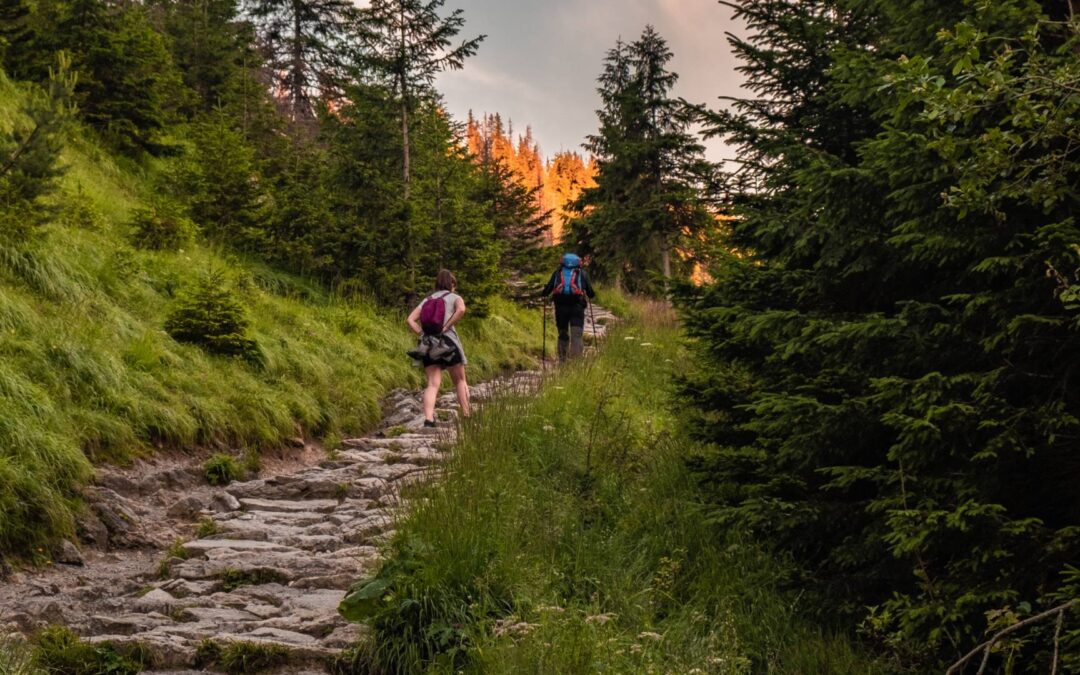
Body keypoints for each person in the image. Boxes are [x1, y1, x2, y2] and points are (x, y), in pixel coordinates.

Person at [407, 269, 470, 427]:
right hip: (448, 342)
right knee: (460, 381)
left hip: (428, 344)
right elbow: (461, 309)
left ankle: (429, 419)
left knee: (432, 384)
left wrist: (422, 333)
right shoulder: (454, 297)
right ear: (452, 284)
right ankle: (467, 415)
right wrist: (447, 326)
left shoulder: (427, 299)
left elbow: (410, 320)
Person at [541, 252, 596, 361]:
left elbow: (546, 291)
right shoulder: (582, 274)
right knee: (576, 335)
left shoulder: (557, 272)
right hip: (577, 308)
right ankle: (576, 363)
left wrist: (544, 292)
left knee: (563, 334)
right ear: (578, 263)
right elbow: (591, 293)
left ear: (562, 263)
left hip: (560, 308)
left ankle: (563, 361)